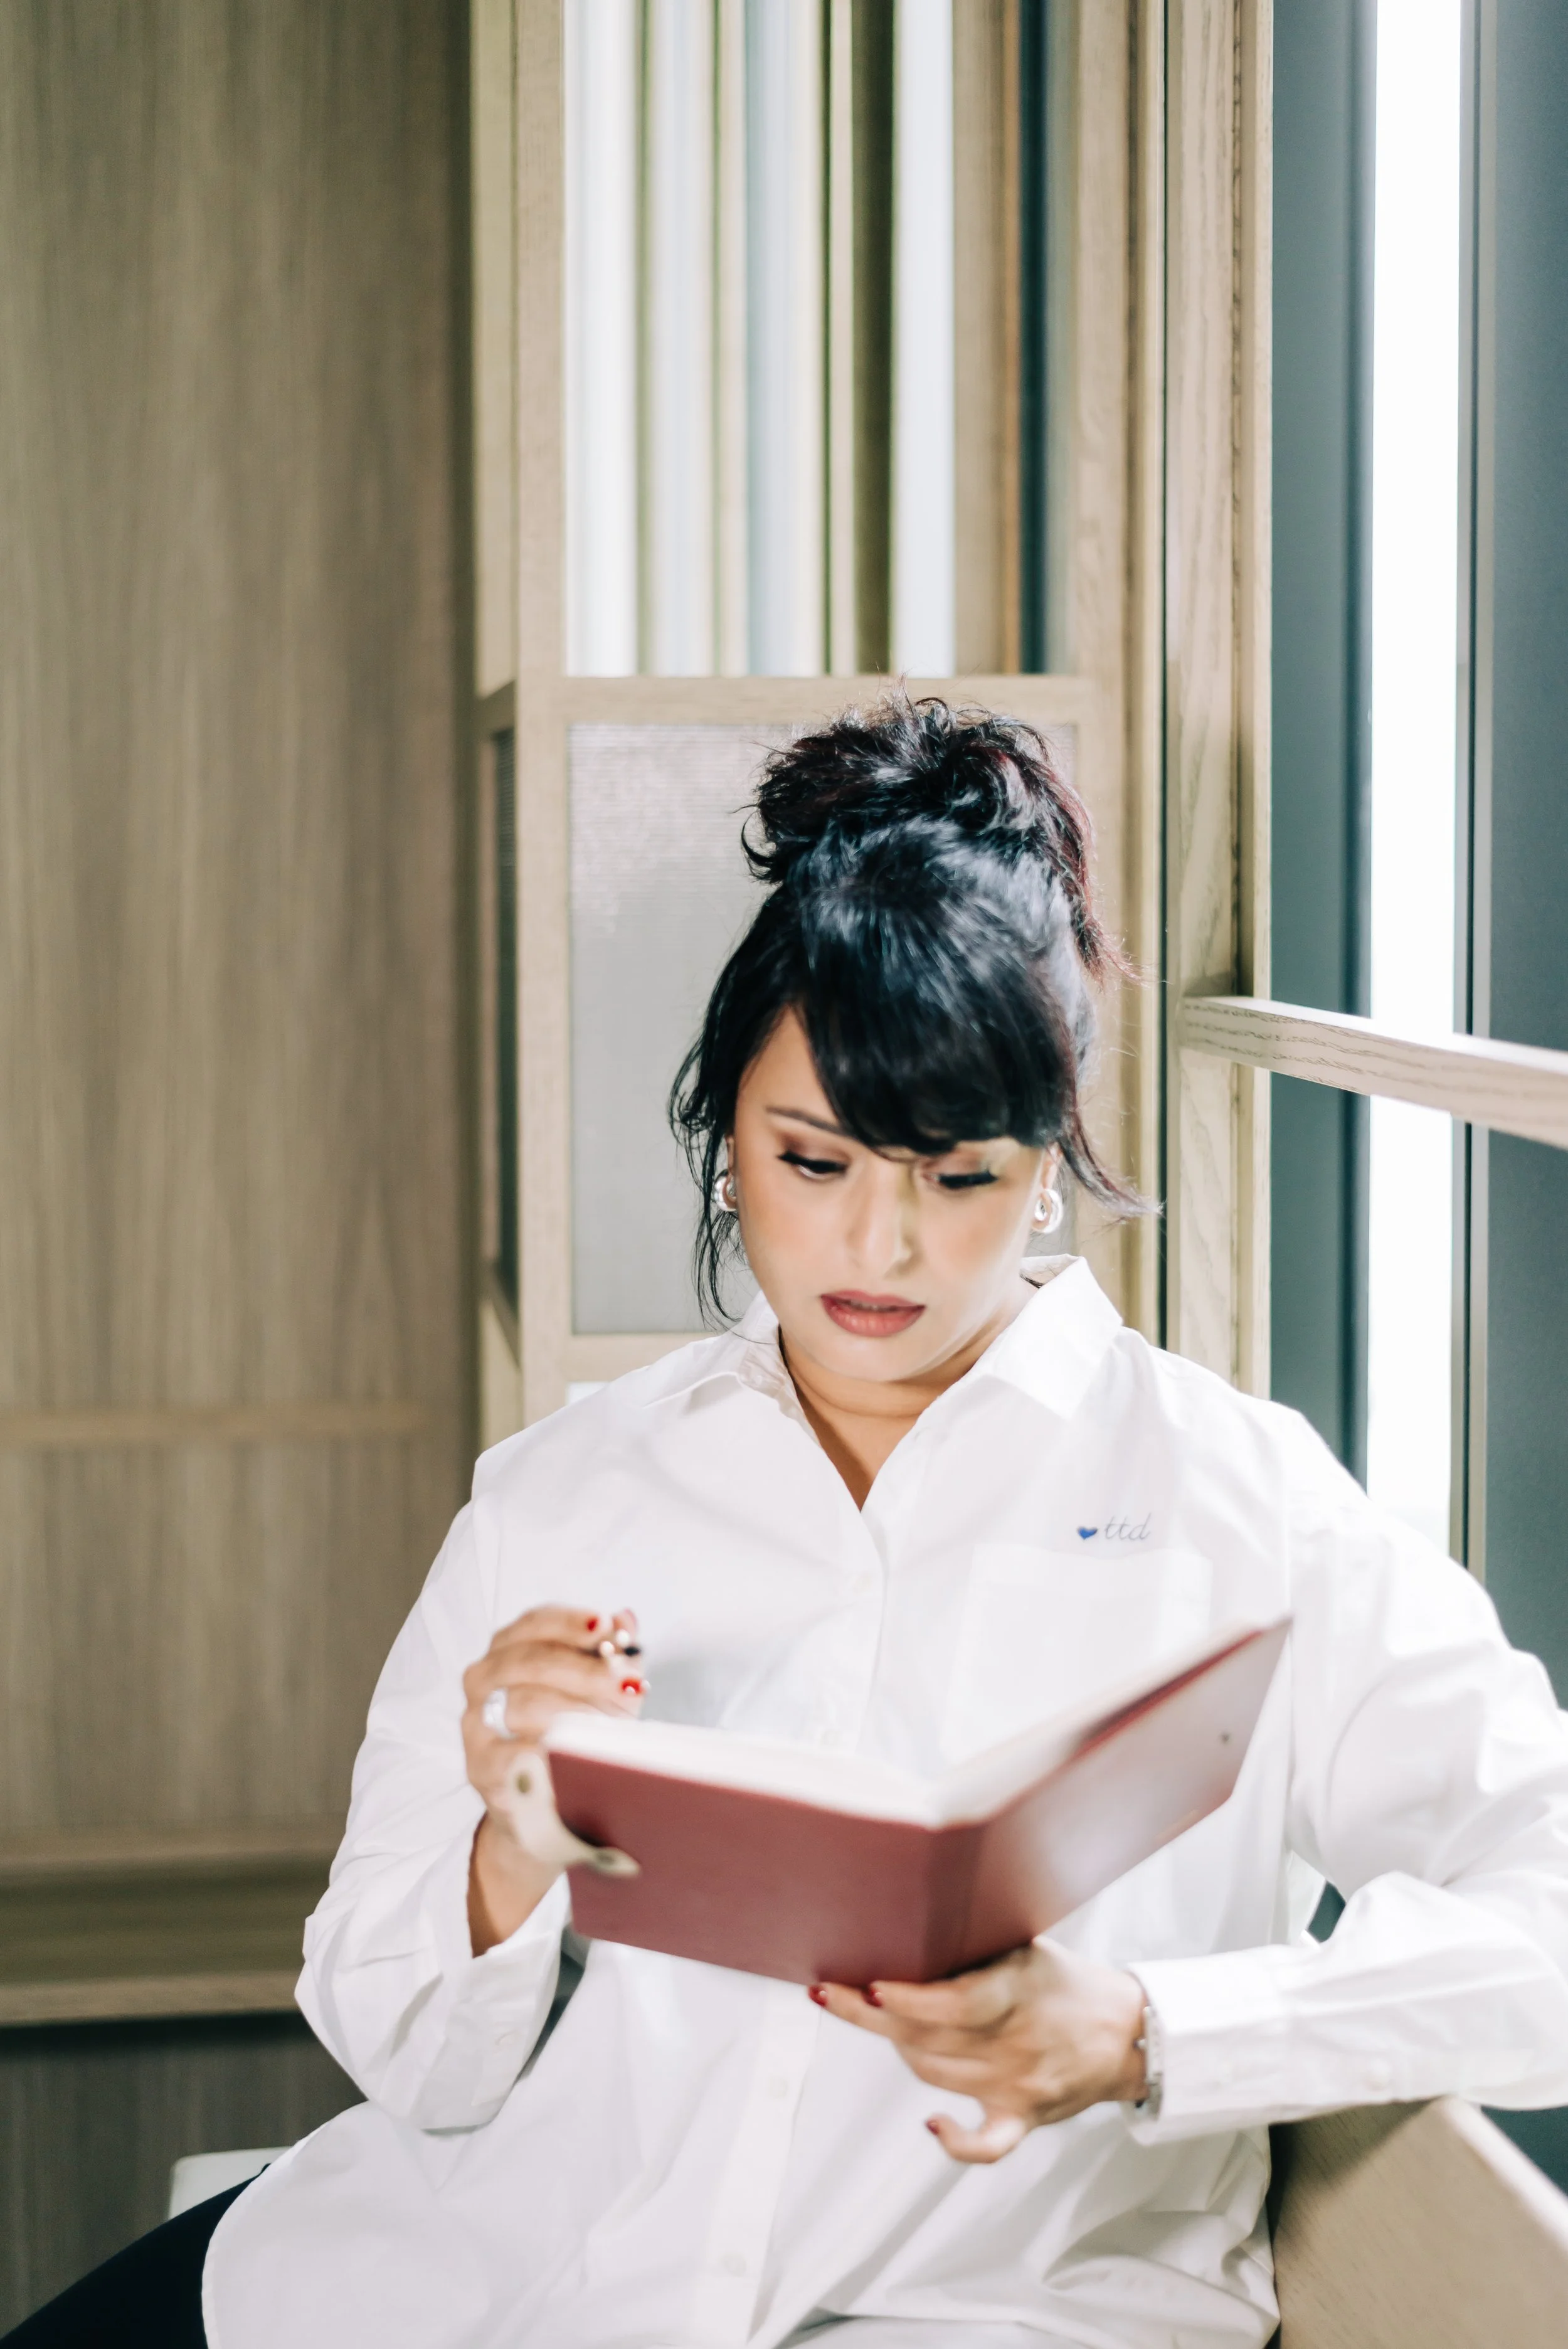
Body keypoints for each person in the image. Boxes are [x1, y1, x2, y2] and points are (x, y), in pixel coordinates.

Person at [13, 694, 1568, 2349]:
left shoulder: (1234, 1503)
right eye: (812, 1160)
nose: (877, 1249)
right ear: (726, 1141)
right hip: (468, 2282)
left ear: (1048, 1163)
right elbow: (393, 2047)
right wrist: (506, 1848)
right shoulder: (569, 1485)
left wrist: (1139, 2029)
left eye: (953, 1176)